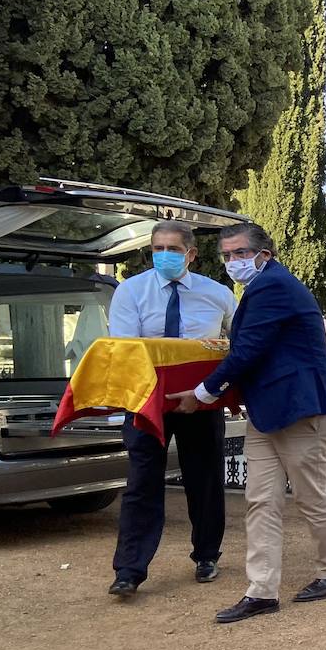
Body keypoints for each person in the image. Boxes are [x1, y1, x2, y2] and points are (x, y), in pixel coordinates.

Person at [170, 223, 326, 625]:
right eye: (227, 255)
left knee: (310, 498)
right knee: (260, 501)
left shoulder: (272, 287)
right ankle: (261, 591)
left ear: (263, 254)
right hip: (268, 413)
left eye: (239, 253)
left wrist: (203, 394)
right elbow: (254, 352)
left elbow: (248, 350)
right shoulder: (262, 286)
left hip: (303, 412)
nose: (233, 262)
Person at [106, 222, 236, 598]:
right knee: (142, 483)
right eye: (157, 248)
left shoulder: (218, 294)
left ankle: (207, 554)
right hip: (147, 400)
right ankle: (129, 570)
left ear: (191, 254)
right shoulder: (131, 291)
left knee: (206, 480)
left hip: (200, 400)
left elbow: (236, 341)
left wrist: (210, 358)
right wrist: (193, 348)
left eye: (173, 248)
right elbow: (128, 347)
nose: (164, 255)